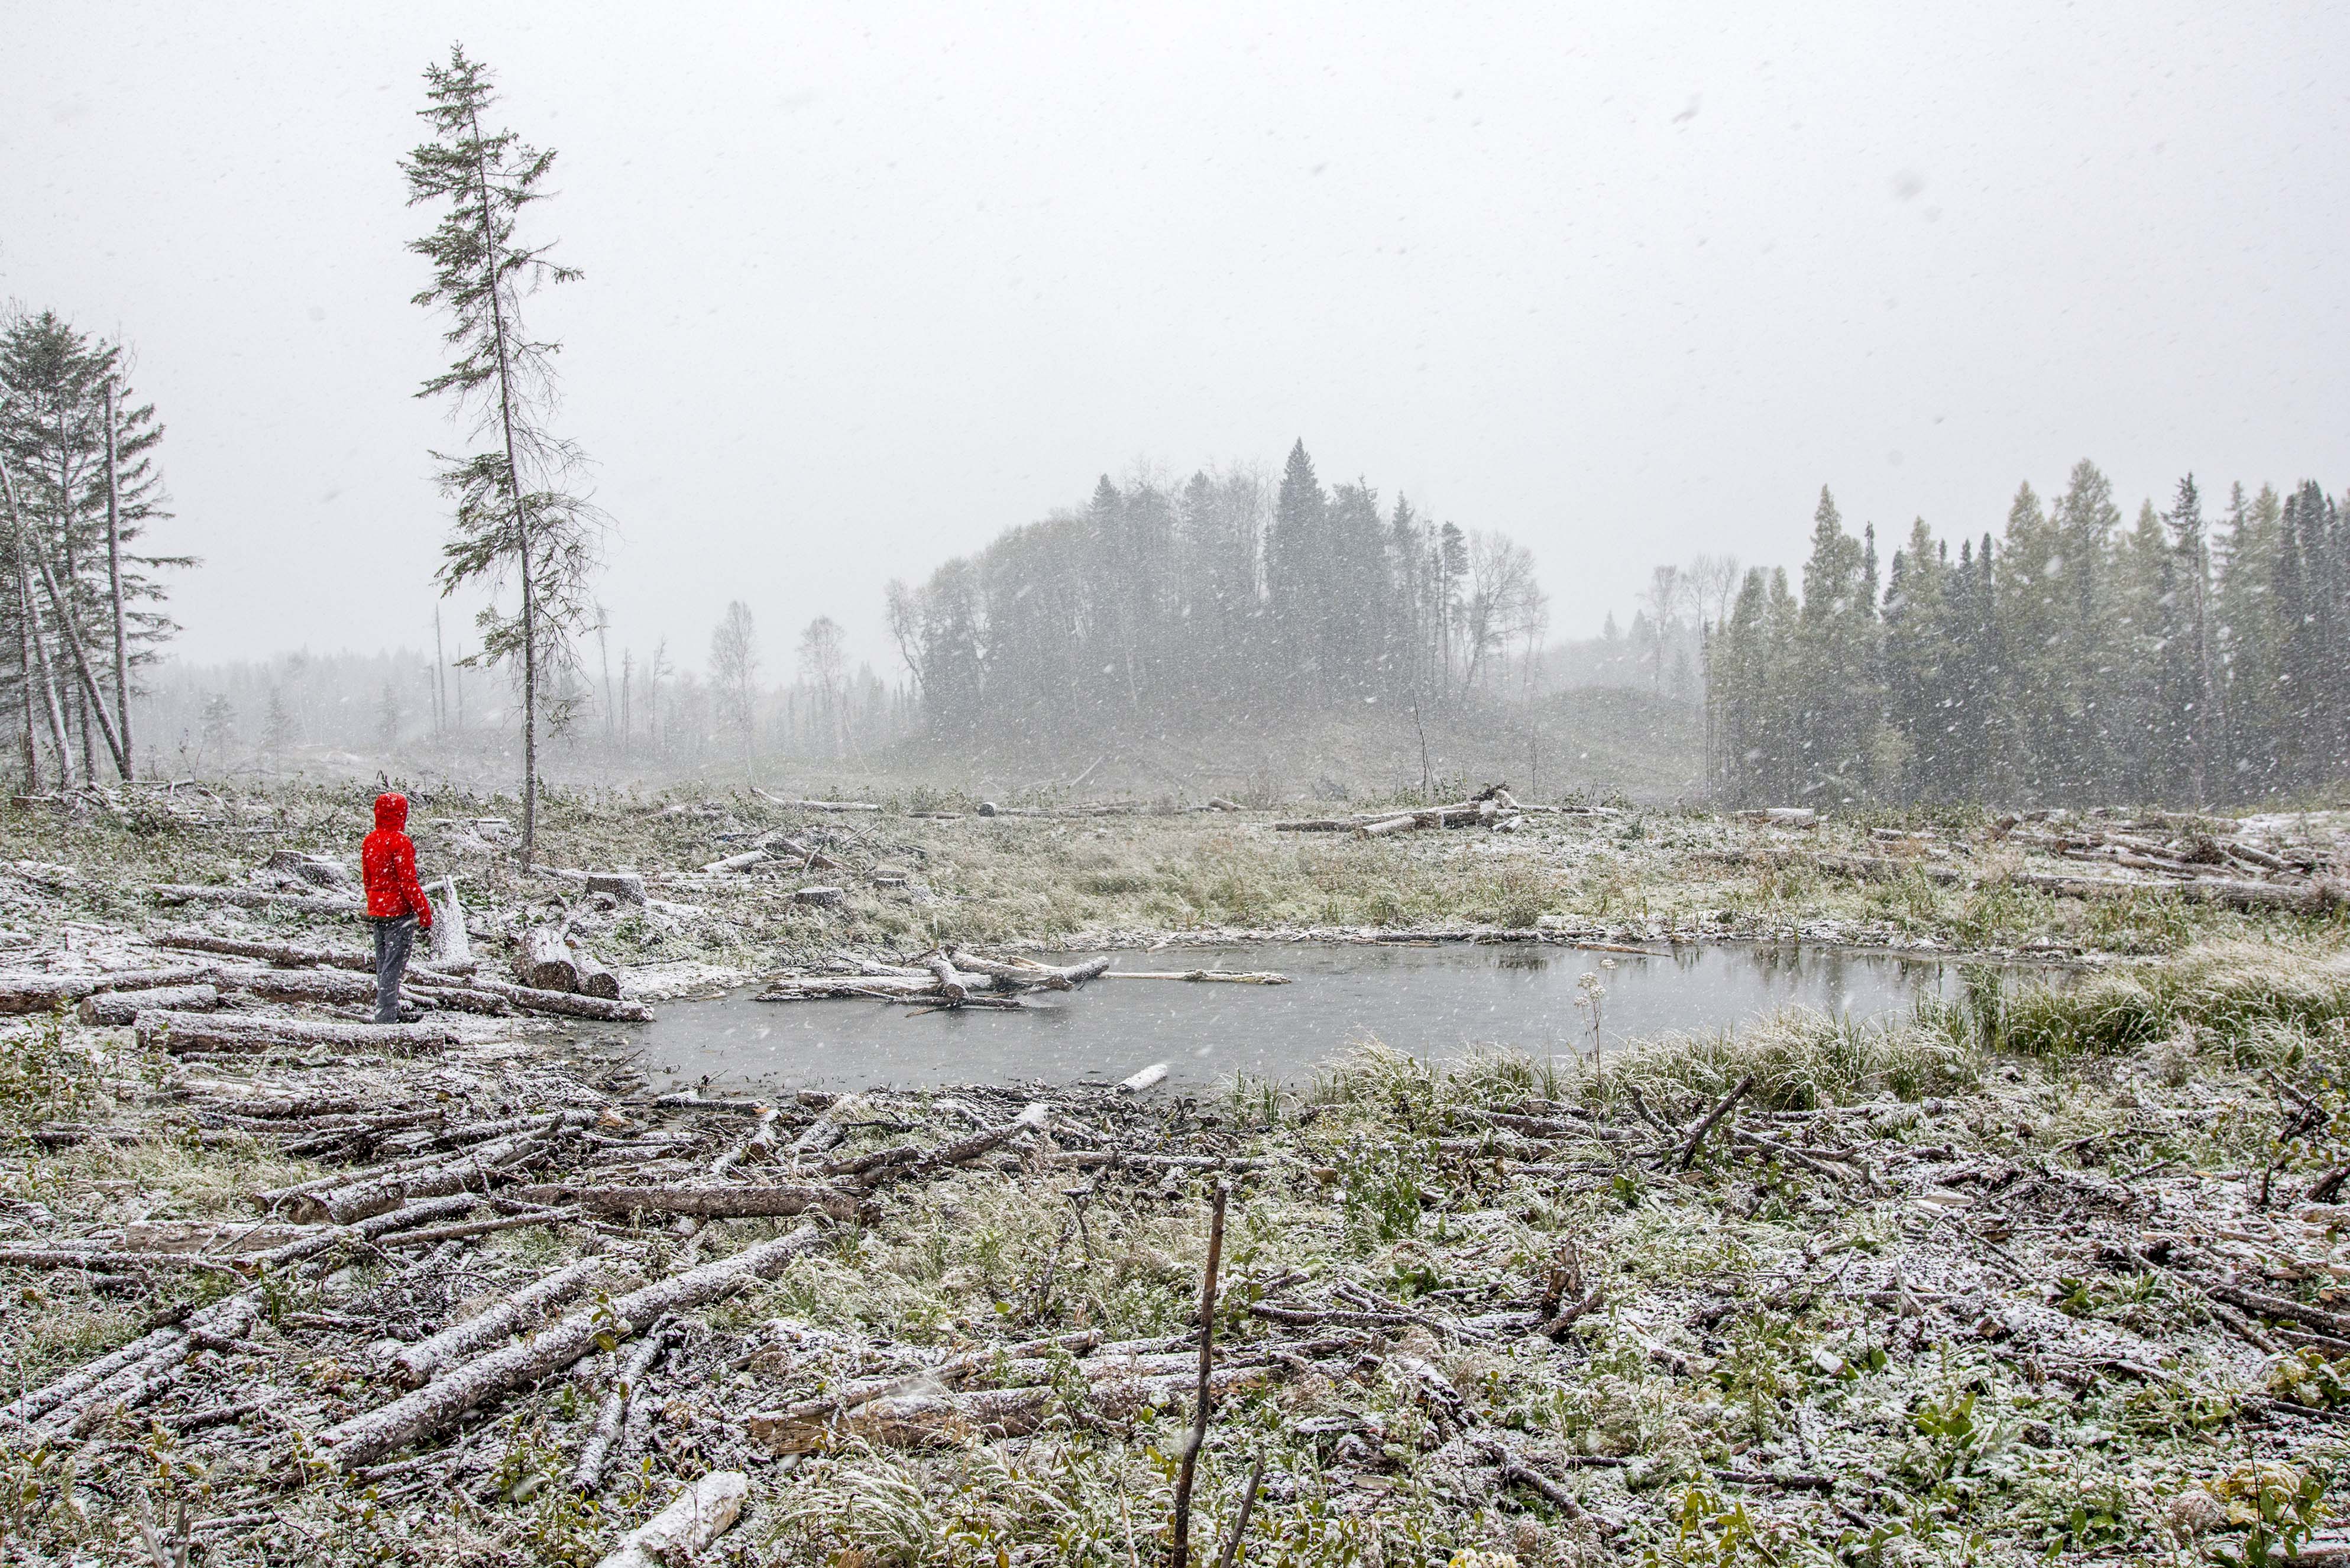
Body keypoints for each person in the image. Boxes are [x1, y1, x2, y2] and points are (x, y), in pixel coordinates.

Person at [361, 792, 433, 1025]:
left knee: (383, 962)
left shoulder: (370, 840)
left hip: (378, 911)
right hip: (399, 914)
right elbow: (408, 883)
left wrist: (375, 903)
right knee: (394, 965)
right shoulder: (400, 842)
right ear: (402, 814)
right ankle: (386, 1016)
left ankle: (388, 1008)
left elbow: (368, 879)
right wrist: (424, 913)